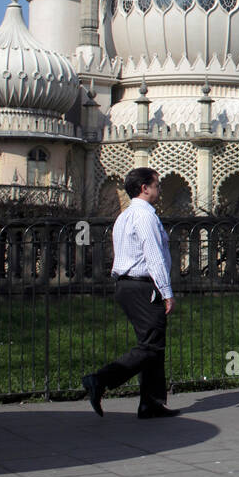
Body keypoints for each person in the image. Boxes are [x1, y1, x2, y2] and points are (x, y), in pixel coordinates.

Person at [82, 167, 180, 418]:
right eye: (156, 185)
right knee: (150, 348)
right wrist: (166, 291)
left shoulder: (123, 217)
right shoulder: (145, 217)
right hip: (144, 286)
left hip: (125, 285)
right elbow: (154, 255)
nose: (159, 189)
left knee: (152, 345)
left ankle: (151, 403)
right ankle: (100, 379)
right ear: (144, 188)